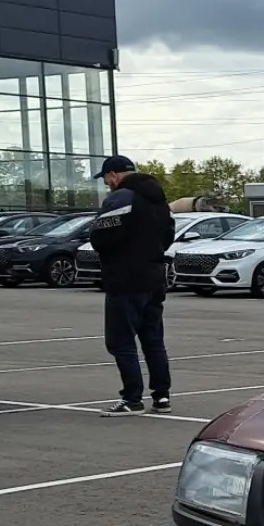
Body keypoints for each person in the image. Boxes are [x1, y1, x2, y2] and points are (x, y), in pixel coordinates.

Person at [88, 155, 174, 416]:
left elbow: (100, 236)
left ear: (113, 175)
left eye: (106, 179)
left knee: (121, 341)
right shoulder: (159, 199)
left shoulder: (121, 198)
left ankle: (132, 398)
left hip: (125, 279)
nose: (106, 184)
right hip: (154, 276)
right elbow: (168, 235)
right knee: (153, 340)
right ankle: (161, 397)